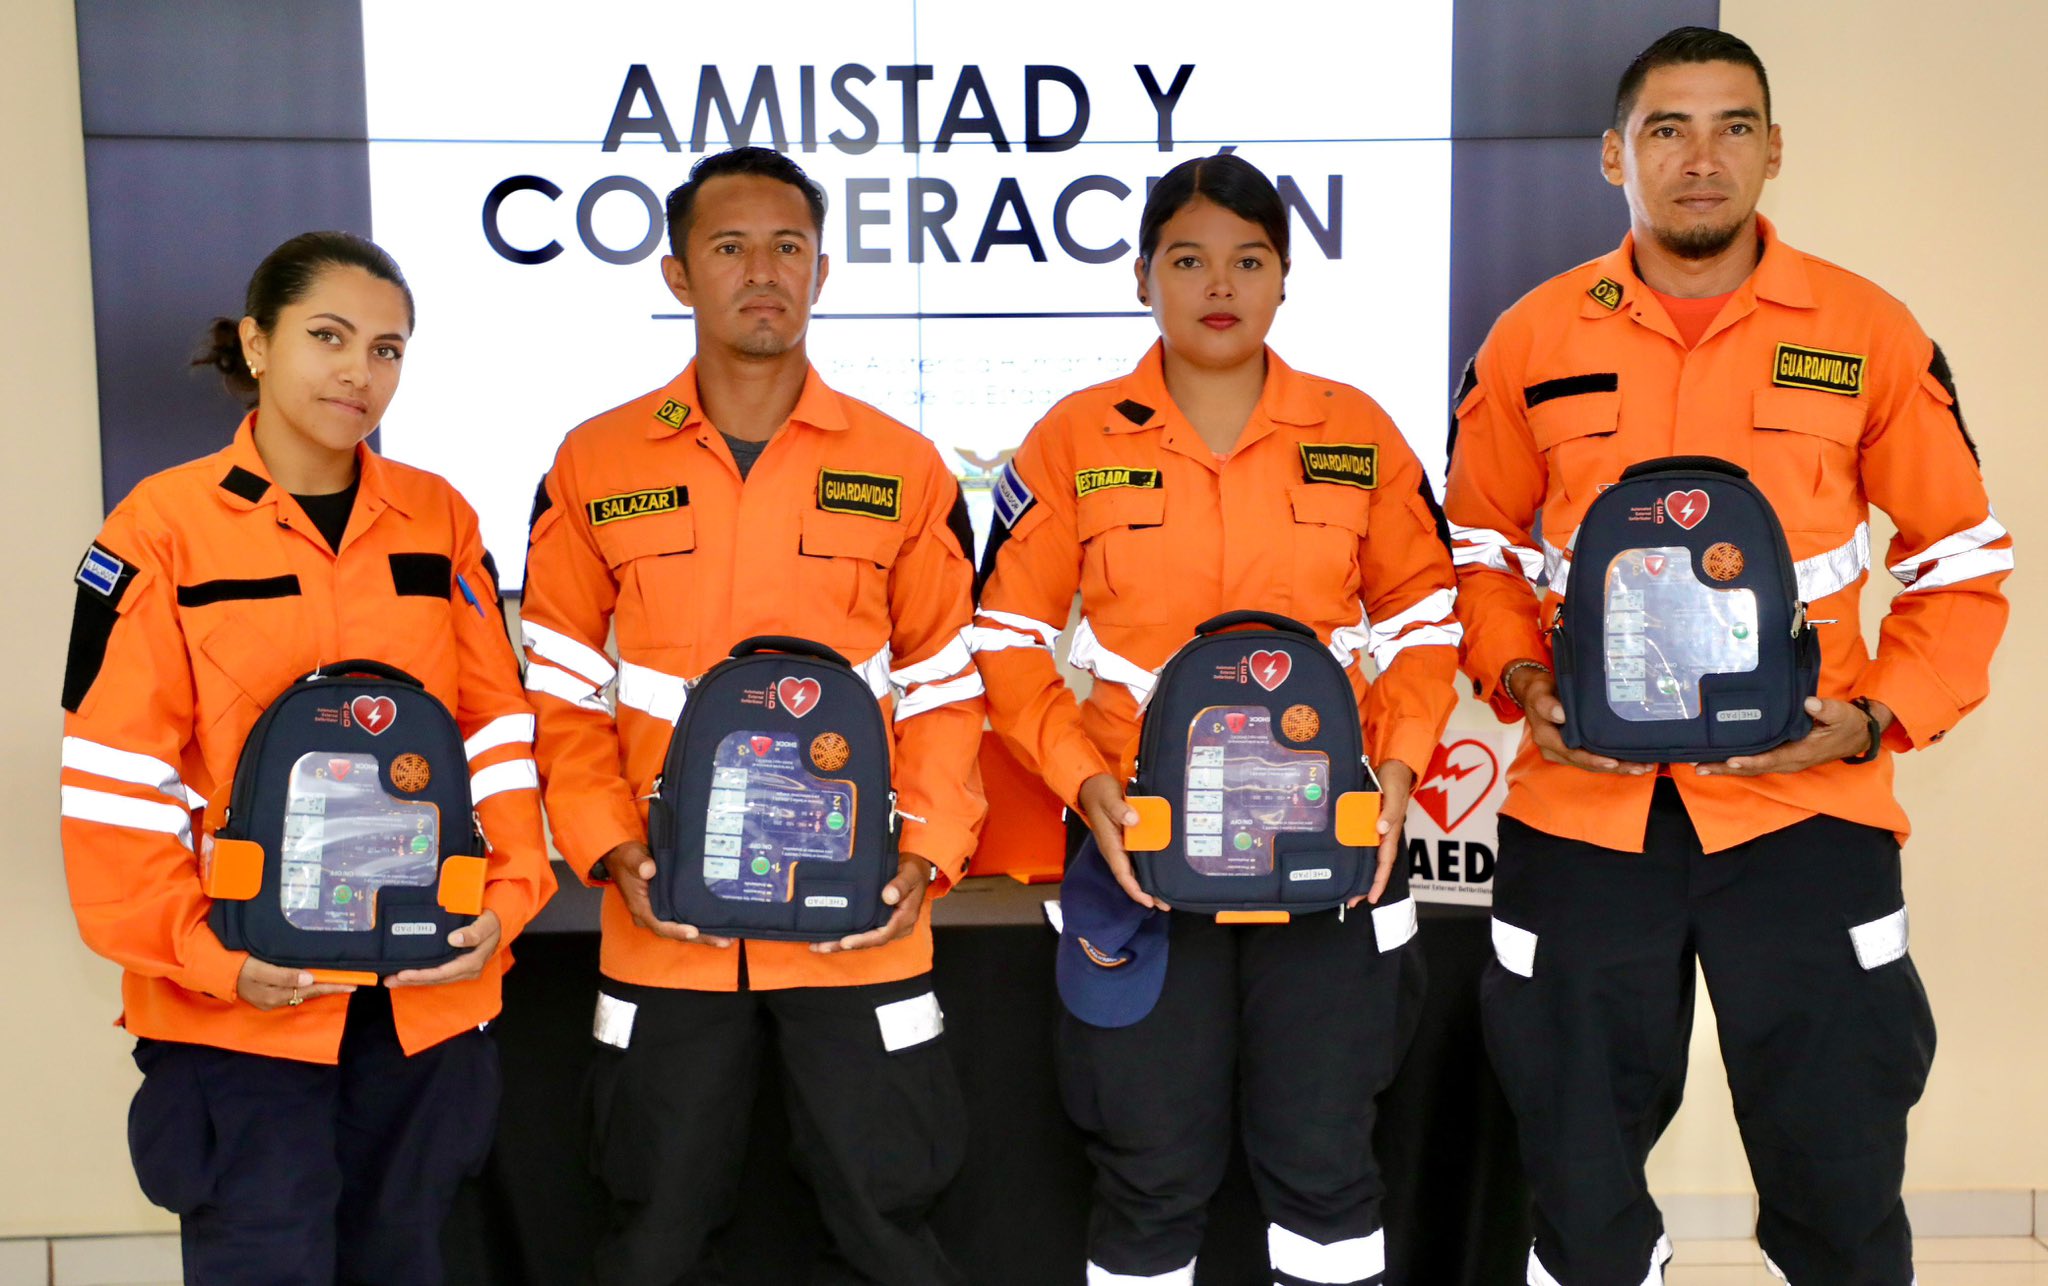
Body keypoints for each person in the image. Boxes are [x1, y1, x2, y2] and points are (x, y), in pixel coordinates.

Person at [1444, 27, 2011, 1286]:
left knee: (1838, 1167)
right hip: (1583, 815)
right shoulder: (1532, 337)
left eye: (1730, 127)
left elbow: (1962, 562)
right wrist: (1520, 680)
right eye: (1667, 128)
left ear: (1771, 150)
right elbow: (1472, 552)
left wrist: (1873, 718)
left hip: (1804, 810)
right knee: (1574, 1175)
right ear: (1613, 156)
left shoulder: (1864, 331)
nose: (1699, 158)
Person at [974, 153, 1462, 1286]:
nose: (1219, 285)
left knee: (1327, 1164)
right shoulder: (1075, 438)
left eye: (1248, 260)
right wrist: (1082, 783)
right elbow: (1001, 634)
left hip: (1330, 856)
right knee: (1147, 1170)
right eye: (1187, 260)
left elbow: (1427, 619)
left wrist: (1395, 767)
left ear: (1285, 276)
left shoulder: (1357, 432)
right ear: (1142, 276)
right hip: (1139, 854)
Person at [520, 146, 986, 1285]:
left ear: (821, 270)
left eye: (788, 246)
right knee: (654, 1230)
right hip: (667, 919)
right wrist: (610, 847)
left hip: (857, 923)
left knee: (886, 1225)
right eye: (729, 247)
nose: (762, 271)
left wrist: (923, 856)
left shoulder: (903, 465)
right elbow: (560, 688)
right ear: (678, 274)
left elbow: (943, 686)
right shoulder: (594, 462)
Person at [58, 231, 556, 1286]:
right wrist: (212, 960)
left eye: (387, 349)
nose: (358, 372)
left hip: (419, 995)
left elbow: (494, 734)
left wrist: (507, 906)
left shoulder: (438, 518)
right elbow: (117, 780)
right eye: (328, 337)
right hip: (242, 1006)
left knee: (406, 1260)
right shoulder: (161, 527)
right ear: (256, 342)